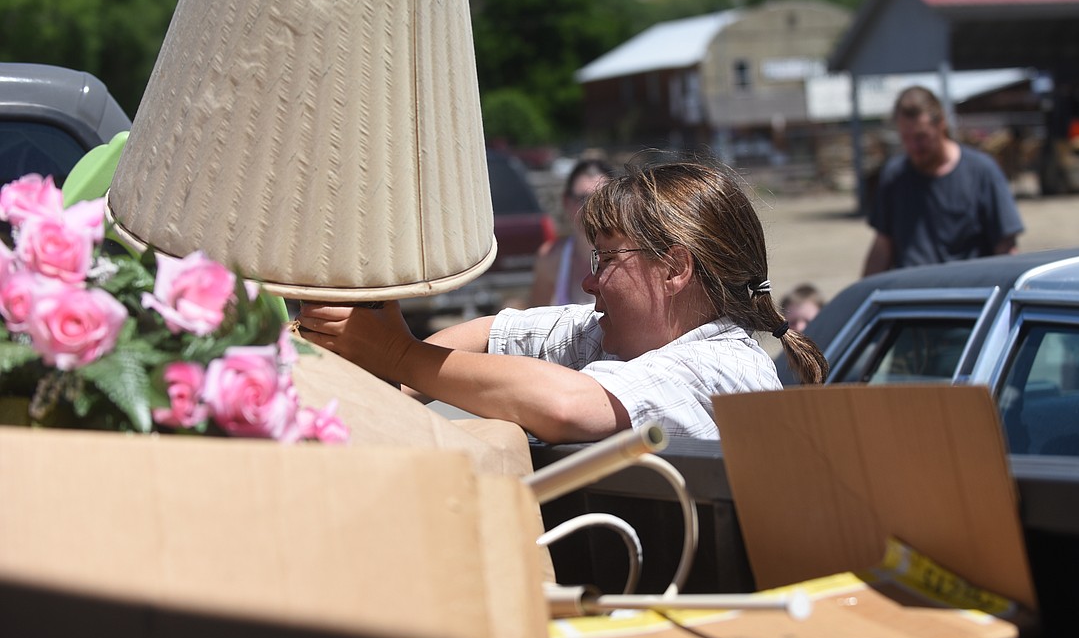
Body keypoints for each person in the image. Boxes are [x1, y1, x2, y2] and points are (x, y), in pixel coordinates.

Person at [297, 159, 828, 444]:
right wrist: (380, 389)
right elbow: (488, 333)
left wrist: (396, 355)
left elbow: (569, 407)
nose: (589, 284)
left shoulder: (724, 367)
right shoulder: (612, 330)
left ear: (674, 268)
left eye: (606, 259)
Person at [862, 85, 1023, 276]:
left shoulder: (982, 172)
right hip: (912, 294)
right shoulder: (894, 176)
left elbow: (1005, 245)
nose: (914, 147)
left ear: (941, 124)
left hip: (968, 293)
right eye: (906, 138)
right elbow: (883, 245)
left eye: (921, 137)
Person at [527, 158, 614, 307]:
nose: (590, 208)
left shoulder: (630, 258)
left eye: (600, 198)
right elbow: (535, 318)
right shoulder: (551, 257)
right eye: (583, 199)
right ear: (566, 202)